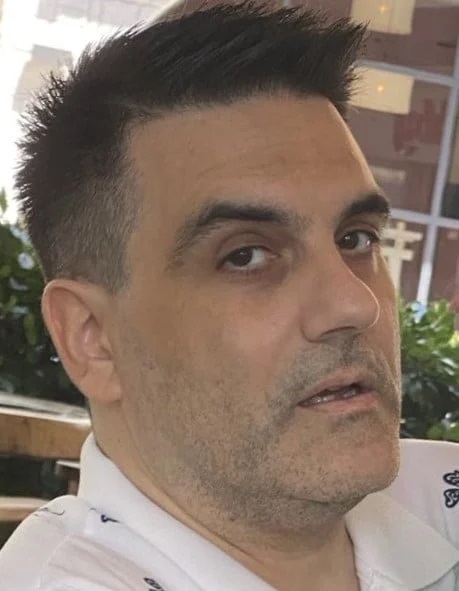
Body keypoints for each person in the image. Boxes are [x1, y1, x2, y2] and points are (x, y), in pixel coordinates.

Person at [0, 3, 457, 590]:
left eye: (356, 238)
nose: (355, 304)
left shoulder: (441, 494)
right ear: (93, 339)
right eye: (245, 256)